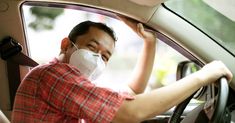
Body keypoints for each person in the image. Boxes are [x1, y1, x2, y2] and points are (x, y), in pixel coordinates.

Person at [12, 16, 233, 123]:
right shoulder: (55, 76)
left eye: (106, 56)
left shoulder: (65, 80)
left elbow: (131, 92)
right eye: (92, 47)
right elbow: (133, 111)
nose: (97, 58)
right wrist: (203, 75)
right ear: (66, 45)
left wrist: (149, 44)